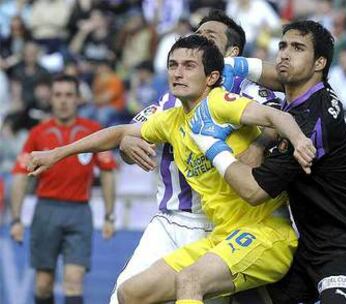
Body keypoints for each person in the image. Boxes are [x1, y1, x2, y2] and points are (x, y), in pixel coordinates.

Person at [26, 35, 315, 304]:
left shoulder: (219, 103)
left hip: (263, 233)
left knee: (189, 281)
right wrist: (57, 154)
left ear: (212, 77)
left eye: (189, 66)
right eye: (173, 65)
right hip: (219, 236)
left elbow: (273, 115)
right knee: (130, 293)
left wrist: (300, 140)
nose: (178, 73)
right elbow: (119, 132)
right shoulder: (172, 120)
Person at [189, 20, 346, 304]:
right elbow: (269, 73)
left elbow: (252, 192)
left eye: (297, 48)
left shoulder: (312, 122)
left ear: (320, 62)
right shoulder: (301, 92)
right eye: (282, 45)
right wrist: (227, 65)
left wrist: (210, 142)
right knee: (246, 297)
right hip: (310, 244)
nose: (284, 53)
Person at [114, 9, 285, 304]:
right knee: (123, 295)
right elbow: (132, 137)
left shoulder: (254, 95)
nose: (198, 38)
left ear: (231, 53)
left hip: (224, 224)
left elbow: (287, 118)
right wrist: (125, 145)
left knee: (194, 291)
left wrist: (259, 146)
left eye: (209, 36)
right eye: (197, 33)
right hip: (170, 217)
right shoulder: (170, 98)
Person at [10, 74, 117, 304]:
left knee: (73, 280)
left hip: (79, 212)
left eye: (69, 95)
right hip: (45, 210)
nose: (63, 100)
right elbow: (20, 176)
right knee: (43, 283)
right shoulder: (38, 133)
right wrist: (16, 219)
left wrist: (109, 215)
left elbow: (108, 172)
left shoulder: (94, 131)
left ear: (78, 99)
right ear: (51, 99)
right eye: (58, 95)